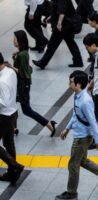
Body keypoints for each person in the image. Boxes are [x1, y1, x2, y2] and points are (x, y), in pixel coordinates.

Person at [56, 70, 98, 200]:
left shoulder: (85, 101)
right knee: (82, 161)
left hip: (82, 138)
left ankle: (72, 193)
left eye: (71, 82)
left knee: (73, 165)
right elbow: (76, 114)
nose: (69, 84)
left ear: (78, 85)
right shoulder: (77, 96)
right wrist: (67, 128)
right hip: (80, 134)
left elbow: (93, 122)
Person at [6, 30, 57, 137]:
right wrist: (16, 58)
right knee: (12, 105)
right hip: (20, 85)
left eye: (15, 39)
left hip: (22, 86)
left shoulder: (23, 54)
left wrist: (10, 66)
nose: (13, 41)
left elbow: (23, 72)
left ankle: (48, 123)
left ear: (20, 40)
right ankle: (13, 128)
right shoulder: (22, 52)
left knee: (26, 110)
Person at [32, 0, 83, 69]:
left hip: (64, 25)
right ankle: (78, 61)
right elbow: (58, 9)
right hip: (65, 24)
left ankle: (42, 63)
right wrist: (51, 17)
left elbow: (62, 11)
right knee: (70, 43)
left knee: (52, 45)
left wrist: (59, 24)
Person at [0, 52, 24, 186]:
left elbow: (3, 102)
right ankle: (12, 173)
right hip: (13, 113)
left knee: (8, 143)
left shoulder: (2, 81)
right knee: (9, 143)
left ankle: (15, 166)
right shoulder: (10, 71)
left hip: (3, 116)